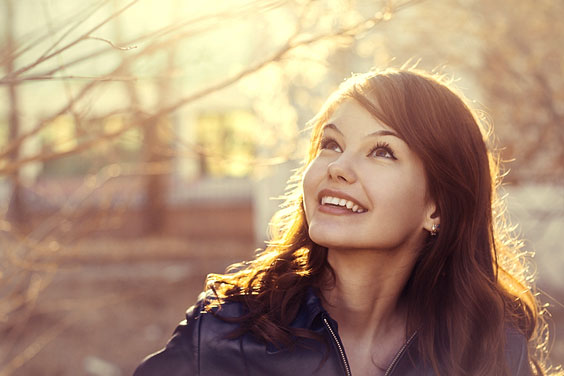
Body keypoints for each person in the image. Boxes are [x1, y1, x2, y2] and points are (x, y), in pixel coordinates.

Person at [134, 68, 554, 375]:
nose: (338, 167)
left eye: (382, 152)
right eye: (331, 144)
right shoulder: (223, 332)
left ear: (437, 208)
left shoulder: (488, 348)